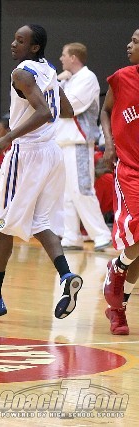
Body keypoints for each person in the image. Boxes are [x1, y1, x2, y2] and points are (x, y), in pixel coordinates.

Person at [0, 24, 83, 320]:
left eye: (20, 40)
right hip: (51, 153)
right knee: (39, 221)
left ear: (34, 47)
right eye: (15, 39)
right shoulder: (49, 70)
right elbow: (66, 110)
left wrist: (8, 136)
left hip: (27, 154)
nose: (13, 44)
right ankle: (66, 275)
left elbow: (45, 112)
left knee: (3, 224)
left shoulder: (22, 73)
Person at [100, 28, 139, 335]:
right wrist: (109, 143)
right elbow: (105, 110)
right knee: (137, 234)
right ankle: (118, 267)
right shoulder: (123, 78)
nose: (129, 44)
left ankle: (117, 308)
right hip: (130, 169)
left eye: (136, 41)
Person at [56, 42, 111, 252]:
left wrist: (56, 86)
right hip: (63, 142)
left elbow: (67, 108)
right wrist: (59, 83)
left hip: (79, 142)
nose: (61, 59)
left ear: (73, 57)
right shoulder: (68, 80)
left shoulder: (87, 78)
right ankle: (71, 236)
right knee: (66, 193)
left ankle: (101, 235)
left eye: (64, 55)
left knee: (82, 189)